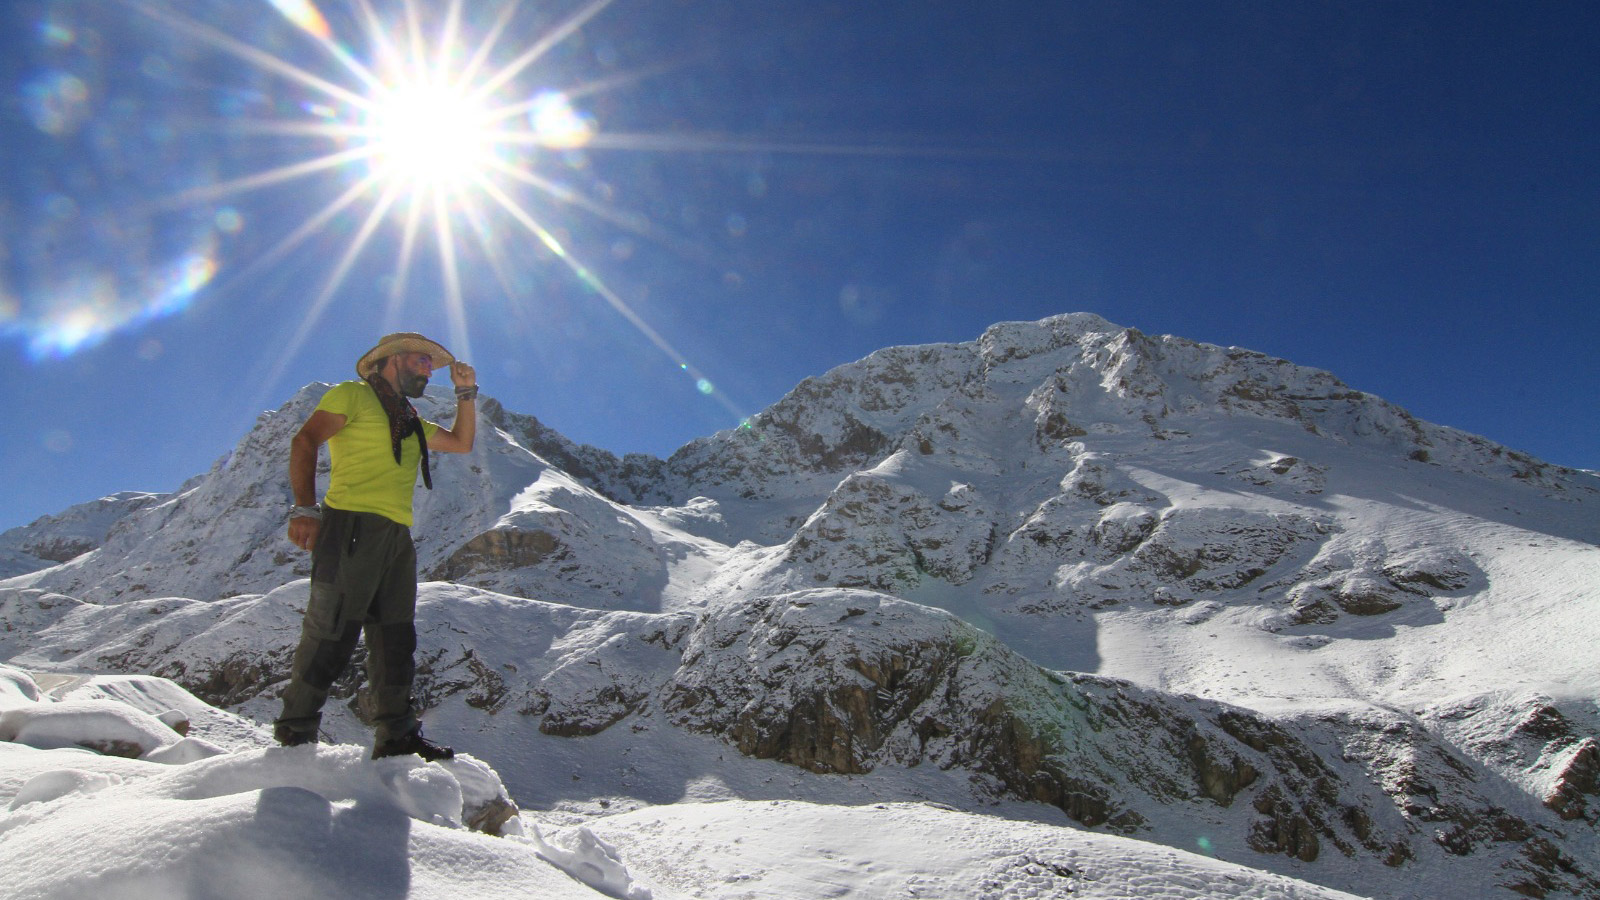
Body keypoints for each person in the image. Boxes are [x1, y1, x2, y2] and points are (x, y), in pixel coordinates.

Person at [274, 332, 478, 760]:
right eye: (422, 361)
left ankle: (396, 736)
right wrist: (305, 509)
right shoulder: (352, 395)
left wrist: (465, 394)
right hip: (350, 525)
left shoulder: (409, 421)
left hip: (396, 537)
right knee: (331, 629)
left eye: (430, 364)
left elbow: (461, 442)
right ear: (392, 360)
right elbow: (305, 440)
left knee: (395, 638)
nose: (428, 369)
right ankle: (295, 734)